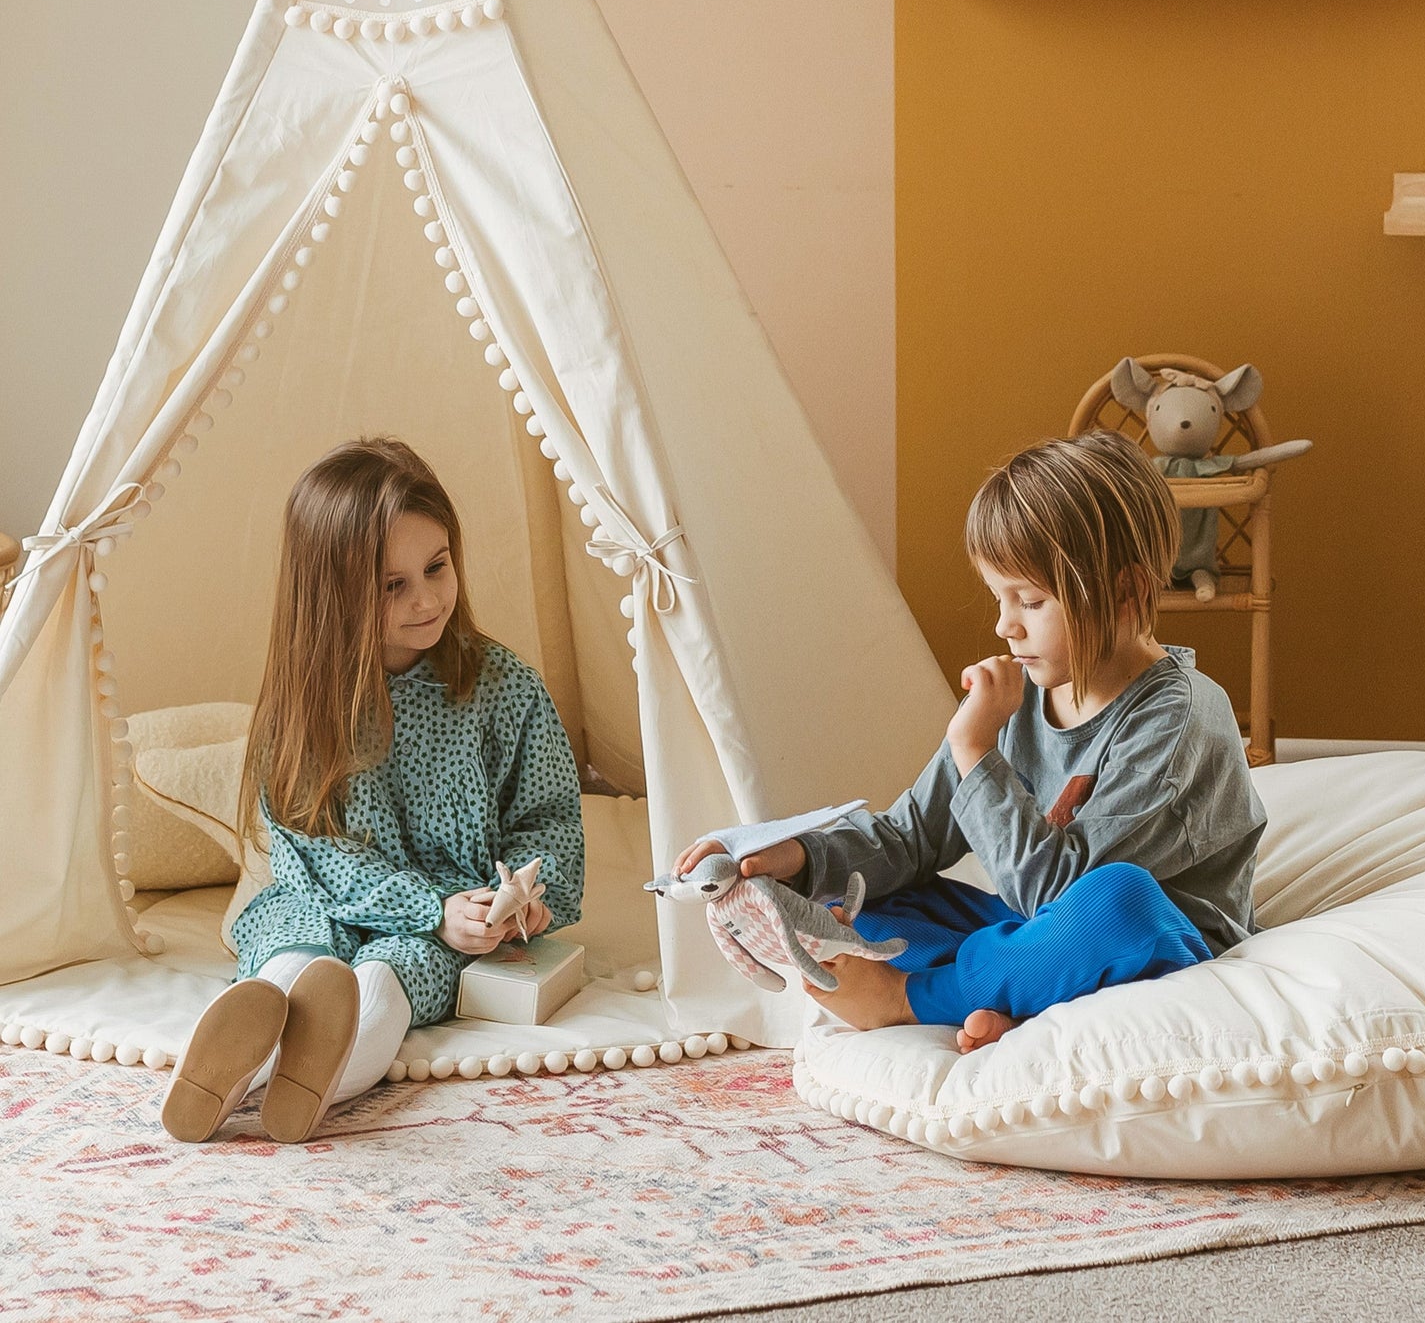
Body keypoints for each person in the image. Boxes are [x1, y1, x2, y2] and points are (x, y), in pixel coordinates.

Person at [673, 430, 1266, 1052]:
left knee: (1117, 898)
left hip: (1156, 945)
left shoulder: (1180, 717)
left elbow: (1062, 896)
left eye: (1031, 601)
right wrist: (797, 857)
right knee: (862, 898)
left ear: (1127, 593)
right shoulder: (1025, 694)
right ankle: (1002, 993)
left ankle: (907, 999)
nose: (1004, 625)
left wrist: (976, 751)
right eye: (998, 597)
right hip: (1035, 935)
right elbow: (909, 838)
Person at [159, 438, 583, 1144]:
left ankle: (280, 1087)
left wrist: (522, 902)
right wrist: (428, 906)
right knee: (292, 966)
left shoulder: (504, 689)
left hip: (446, 925)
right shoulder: (304, 703)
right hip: (320, 903)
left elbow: (548, 821)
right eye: (393, 585)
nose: (426, 598)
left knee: (384, 986)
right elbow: (313, 849)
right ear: (332, 593)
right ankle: (232, 1065)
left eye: (437, 567)